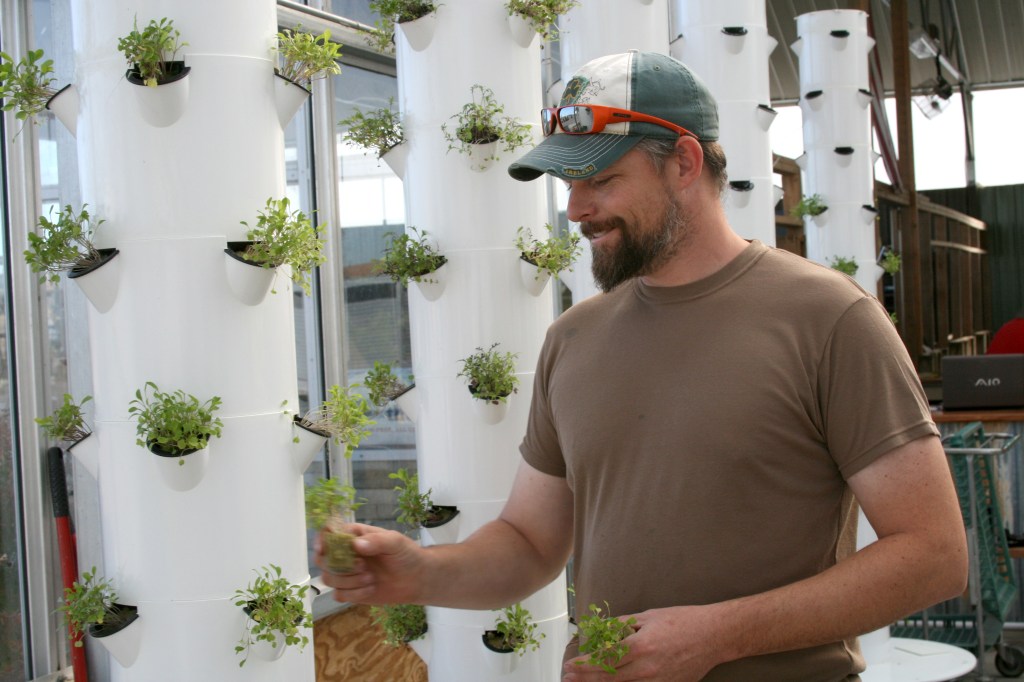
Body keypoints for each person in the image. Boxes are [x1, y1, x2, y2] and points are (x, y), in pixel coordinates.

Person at [320, 50, 967, 680]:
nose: (575, 210)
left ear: (684, 162)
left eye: (600, 181)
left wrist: (717, 637)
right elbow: (529, 543)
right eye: (569, 185)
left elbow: (933, 555)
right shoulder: (573, 339)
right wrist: (420, 571)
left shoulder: (829, 319)